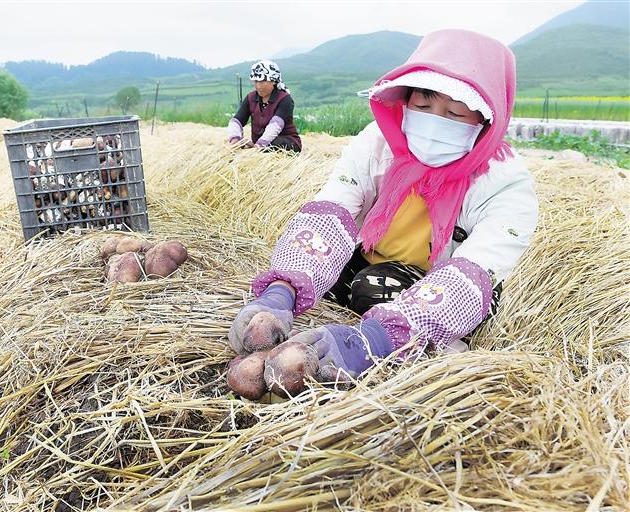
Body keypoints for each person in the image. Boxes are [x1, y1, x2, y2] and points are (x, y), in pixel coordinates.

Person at [228, 29, 538, 388]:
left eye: (454, 112)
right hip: (377, 257)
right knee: (323, 273)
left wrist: (371, 341)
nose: (435, 120)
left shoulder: (506, 184)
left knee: (369, 289)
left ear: (487, 121)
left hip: (445, 280)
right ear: (406, 100)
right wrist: (281, 291)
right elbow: (333, 210)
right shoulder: (378, 144)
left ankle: (429, 337)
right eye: (424, 105)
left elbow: (477, 268)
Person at [227, 60, 302, 153]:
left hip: (286, 143)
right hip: (259, 144)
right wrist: (235, 139)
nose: (258, 86)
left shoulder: (285, 99)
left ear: (274, 81)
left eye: (262, 82)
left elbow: (275, 126)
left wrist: (260, 145)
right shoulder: (251, 98)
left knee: (272, 144)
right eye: (256, 81)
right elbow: (236, 120)